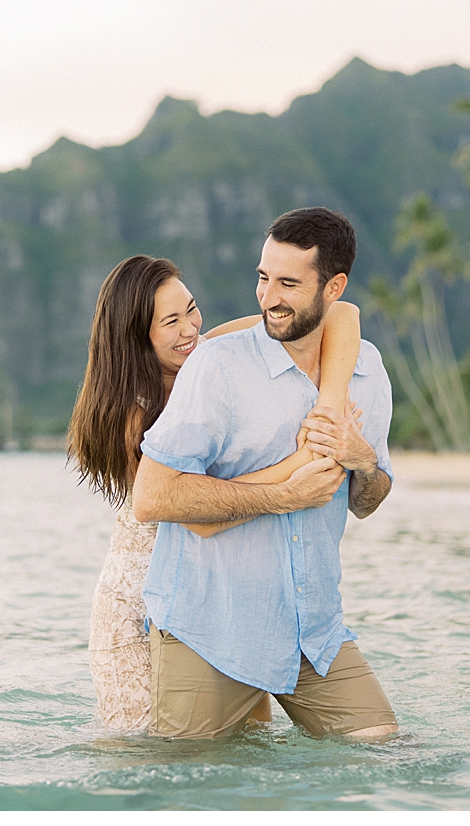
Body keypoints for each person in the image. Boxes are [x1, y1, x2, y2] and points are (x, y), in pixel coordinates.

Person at [132, 206, 398, 740]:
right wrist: (283, 495)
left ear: (334, 287)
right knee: (187, 787)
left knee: (383, 754)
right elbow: (153, 498)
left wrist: (361, 458)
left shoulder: (365, 372)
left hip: (311, 630)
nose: (269, 296)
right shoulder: (218, 367)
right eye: (262, 277)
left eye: (288, 283)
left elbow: (367, 500)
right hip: (210, 626)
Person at [69, 253, 363, 731]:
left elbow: (340, 313)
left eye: (191, 308)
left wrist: (328, 407)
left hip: (217, 590)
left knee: (250, 744)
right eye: (171, 321)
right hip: (140, 604)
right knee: (149, 757)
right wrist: (294, 469)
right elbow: (189, 505)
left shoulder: (213, 352)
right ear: (134, 336)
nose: (190, 328)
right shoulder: (130, 413)